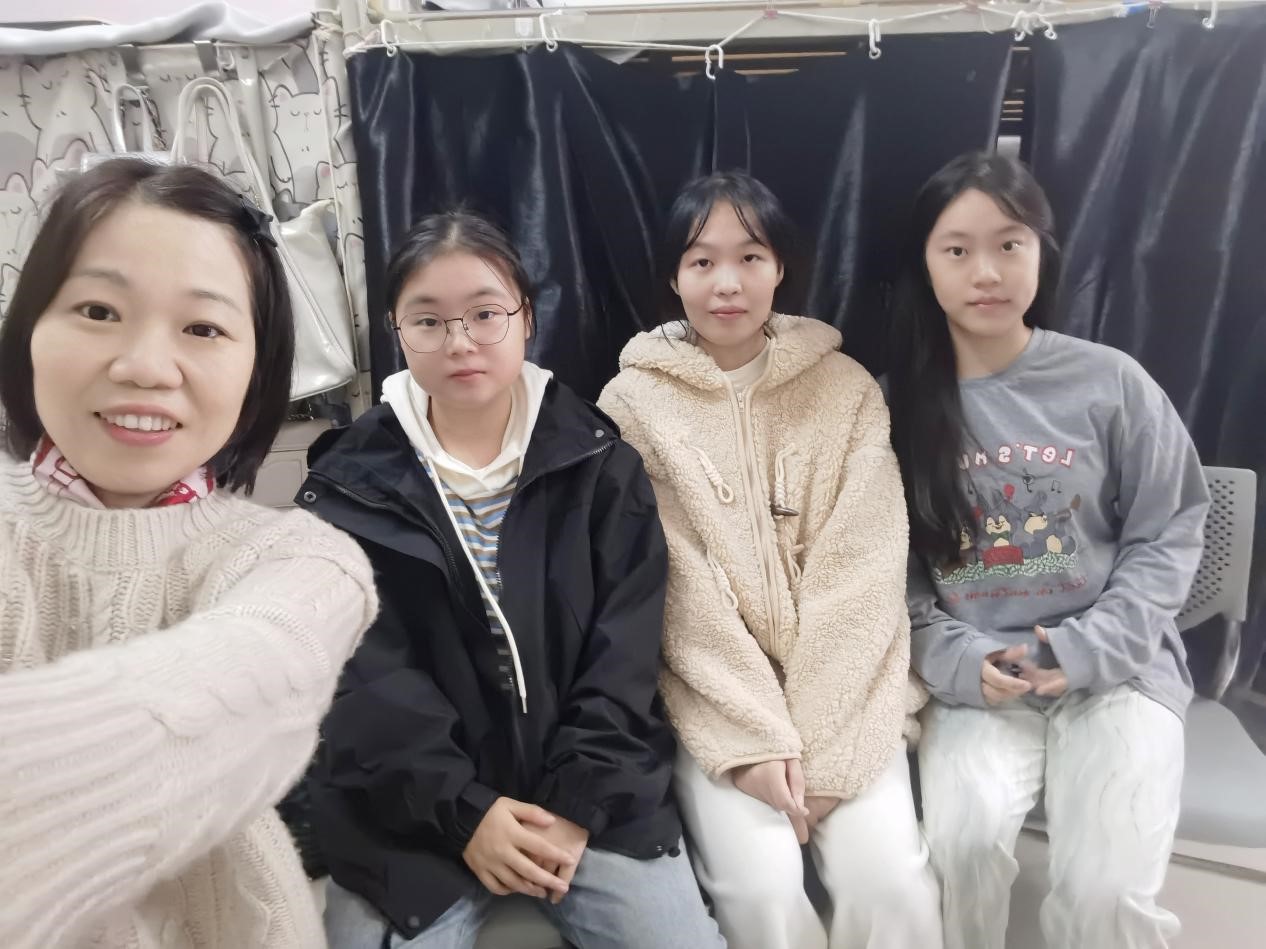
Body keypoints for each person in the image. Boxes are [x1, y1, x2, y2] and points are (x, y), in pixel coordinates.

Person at [301, 210, 724, 949]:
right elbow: (364, 685)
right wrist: (466, 814)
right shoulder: (346, 488)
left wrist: (576, 802)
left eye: (484, 313)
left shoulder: (600, 464)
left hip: (590, 801)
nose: (460, 341)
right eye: (428, 321)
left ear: (526, 317)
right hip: (414, 813)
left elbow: (624, 659)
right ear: (397, 332)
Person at [0, 157, 378, 948]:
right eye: (98, 310)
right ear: (29, 327)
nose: (143, 366)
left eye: (203, 328)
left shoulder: (305, 559)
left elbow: (248, 681)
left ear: (257, 366)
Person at [598, 171, 941, 949]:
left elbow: (865, 570)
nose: (727, 283)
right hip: (718, 704)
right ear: (674, 276)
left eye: (750, 257)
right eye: (702, 261)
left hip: (851, 696)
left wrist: (823, 747)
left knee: (888, 879)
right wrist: (754, 740)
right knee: (759, 889)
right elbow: (674, 588)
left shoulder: (846, 389)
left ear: (780, 266)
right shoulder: (631, 404)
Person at [887, 151, 1210, 949]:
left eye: (1010, 244)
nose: (986, 271)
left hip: (1118, 672)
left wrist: (1091, 647)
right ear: (925, 264)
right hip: (978, 679)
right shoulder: (894, 408)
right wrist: (959, 659)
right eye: (956, 249)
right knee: (959, 848)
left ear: (1043, 251)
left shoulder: (1111, 382)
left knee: (1107, 891)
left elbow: (1169, 530)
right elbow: (889, 574)